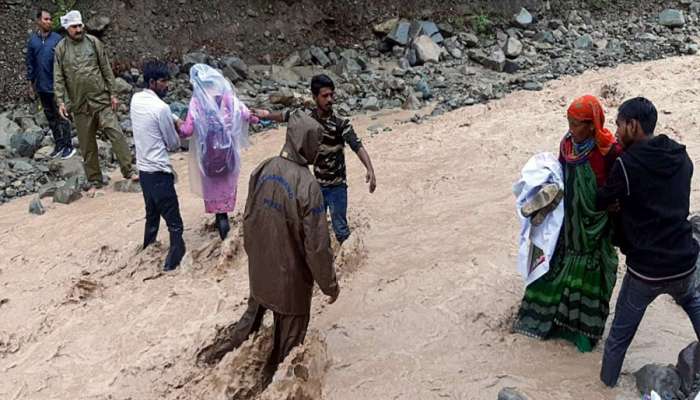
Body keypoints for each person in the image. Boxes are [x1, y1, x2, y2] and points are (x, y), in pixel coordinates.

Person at [197, 110, 340, 383]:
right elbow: (318, 247)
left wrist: (255, 259)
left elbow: (249, 220)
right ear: (308, 144)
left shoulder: (263, 168)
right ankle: (266, 388)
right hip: (291, 284)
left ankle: (212, 359)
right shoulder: (308, 186)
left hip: (261, 273)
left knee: (246, 327)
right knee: (285, 355)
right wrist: (329, 285)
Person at [596, 97, 700, 387]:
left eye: (618, 126)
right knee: (693, 300)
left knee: (618, 336)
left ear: (633, 125)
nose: (616, 133)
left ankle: (604, 388)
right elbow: (671, 197)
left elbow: (601, 199)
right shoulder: (681, 156)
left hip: (647, 270)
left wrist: (620, 205)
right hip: (683, 262)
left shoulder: (627, 165)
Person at [513, 95, 621, 352]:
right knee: (554, 265)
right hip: (569, 220)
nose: (572, 129)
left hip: (596, 223)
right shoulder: (567, 145)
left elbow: (619, 185)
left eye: (577, 124)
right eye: (569, 123)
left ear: (593, 124)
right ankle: (541, 322)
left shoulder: (609, 151)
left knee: (590, 273)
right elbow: (561, 175)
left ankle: (581, 335)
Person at [253, 74, 376, 244]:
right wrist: (264, 115)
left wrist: (370, 169)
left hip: (337, 186)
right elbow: (285, 115)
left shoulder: (340, 123)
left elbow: (357, 145)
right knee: (313, 229)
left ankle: (348, 263)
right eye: (325, 96)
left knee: (340, 229)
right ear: (314, 97)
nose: (330, 99)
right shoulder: (307, 117)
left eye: (332, 95)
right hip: (315, 185)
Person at [53, 10, 137, 192]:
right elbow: (58, 77)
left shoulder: (93, 42)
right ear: (67, 28)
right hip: (79, 104)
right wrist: (60, 101)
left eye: (80, 25)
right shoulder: (61, 49)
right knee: (87, 144)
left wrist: (113, 93)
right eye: (74, 27)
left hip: (101, 100)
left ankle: (129, 170)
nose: (78, 29)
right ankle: (95, 180)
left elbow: (106, 69)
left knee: (115, 132)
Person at [178, 64, 255, 240]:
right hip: (228, 157)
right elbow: (246, 114)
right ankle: (226, 225)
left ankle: (221, 224)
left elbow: (187, 130)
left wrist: (177, 127)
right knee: (226, 188)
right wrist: (259, 118)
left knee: (214, 190)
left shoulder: (197, 102)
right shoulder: (228, 98)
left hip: (209, 157)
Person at [130, 61, 185, 272]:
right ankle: (173, 262)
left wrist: (173, 117)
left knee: (151, 216)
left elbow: (158, 114)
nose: (167, 85)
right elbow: (173, 143)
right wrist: (179, 126)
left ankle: (147, 249)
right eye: (163, 82)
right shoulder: (161, 108)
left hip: (144, 171)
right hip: (160, 172)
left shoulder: (136, 100)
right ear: (152, 82)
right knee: (175, 223)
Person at [26, 8, 74, 159]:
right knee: (51, 118)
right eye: (46, 19)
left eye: (50, 19)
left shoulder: (58, 39)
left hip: (57, 87)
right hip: (42, 87)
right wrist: (30, 84)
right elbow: (30, 63)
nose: (49, 22)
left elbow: (66, 63)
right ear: (38, 21)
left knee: (62, 116)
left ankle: (68, 146)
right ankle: (59, 144)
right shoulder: (33, 41)